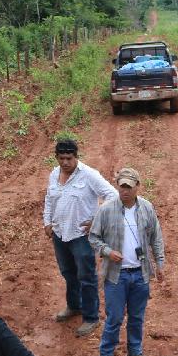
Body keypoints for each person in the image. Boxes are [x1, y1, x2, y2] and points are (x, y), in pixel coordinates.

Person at [89, 167, 166, 356]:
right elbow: (93, 237)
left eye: (129, 187)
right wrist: (107, 251)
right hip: (116, 275)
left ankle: (134, 353)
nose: (125, 190)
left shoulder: (147, 208)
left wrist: (159, 263)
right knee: (114, 317)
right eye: (122, 186)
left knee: (137, 317)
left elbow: (156, 237)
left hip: (140, 274)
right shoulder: (106, 209)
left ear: (138, 187)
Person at [43, 138, 118, 337]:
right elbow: (49, 199)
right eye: (61, 158)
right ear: (56, 158)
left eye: (69, 158)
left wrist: (97, 219)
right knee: (68, 272)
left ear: (76, 157)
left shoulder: (89, 175)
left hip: (81, 236)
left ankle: (91, 317)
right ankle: (74, 306)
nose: (65, 162)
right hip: (60, 233)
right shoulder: (54, 174)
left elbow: (112, 196)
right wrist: (47, 222)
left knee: (87, 277)